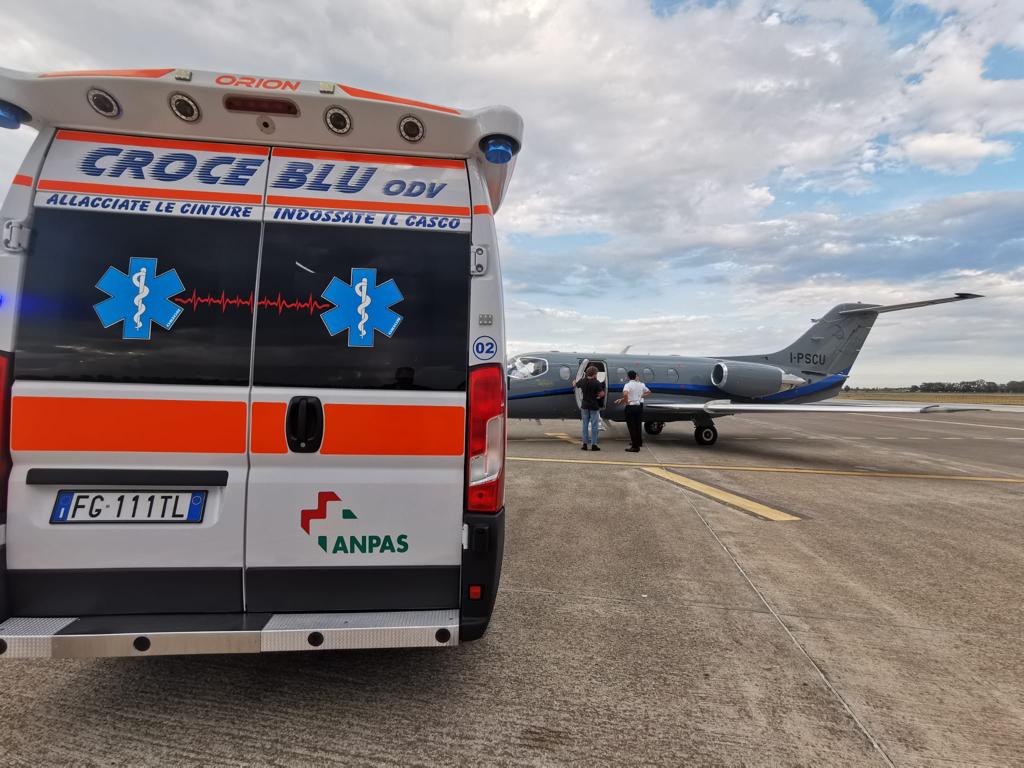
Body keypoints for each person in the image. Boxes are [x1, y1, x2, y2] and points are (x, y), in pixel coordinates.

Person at [615, 370, 650, 452]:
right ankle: (637, 443)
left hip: (631, 407)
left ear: (628, 377)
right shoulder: (640, 385)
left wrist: (626, 402)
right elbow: (647, 392)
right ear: (635, 376)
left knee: (631, 427)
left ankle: (635, 446)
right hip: (638, 406)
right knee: (637, 425)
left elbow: (625, 394)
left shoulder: (627, 385)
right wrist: (640, 396)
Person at [574, 365, 606, 451]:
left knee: (585, 425)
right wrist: (599, 396)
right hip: (594, 406)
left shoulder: (582, 381)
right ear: (594, 374)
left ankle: (585, 444)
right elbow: (602, 393)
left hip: (584, 405)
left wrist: (574, 381)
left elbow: (575, 384)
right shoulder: (596, 383)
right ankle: (594, 445)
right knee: (594, 426)